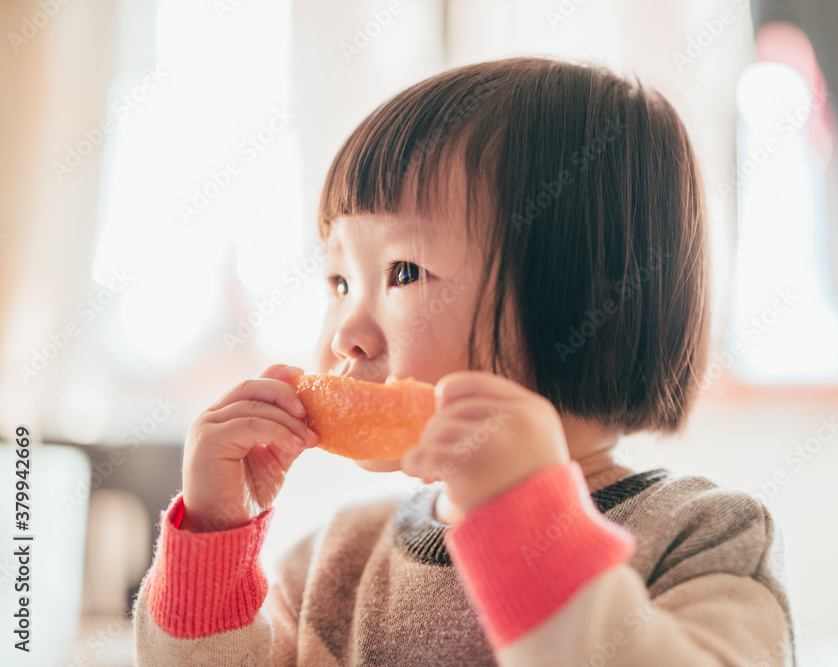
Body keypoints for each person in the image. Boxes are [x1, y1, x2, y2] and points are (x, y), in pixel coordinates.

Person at [132, 56, 797, 666]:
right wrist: (214, 538)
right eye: (338, 282)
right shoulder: (333, 566)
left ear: (583, 296)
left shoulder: (701, 537)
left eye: (404, 271)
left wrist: (530, 525)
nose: (347, 335)